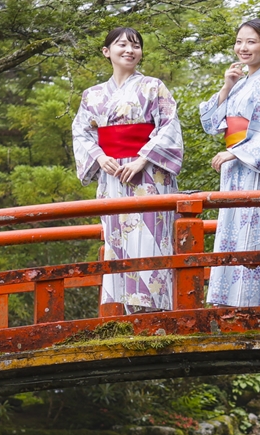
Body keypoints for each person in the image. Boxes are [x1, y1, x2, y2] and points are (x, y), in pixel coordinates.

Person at [71, 26, 185, 312]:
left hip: (148, 174)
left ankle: (157, 313)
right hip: (112, 176)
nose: (129, 51)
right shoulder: (92, 96)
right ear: (106, 52)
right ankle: (127, 312)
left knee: (152, 240)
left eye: (135, 46)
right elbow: (81, 133)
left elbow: (169, 126)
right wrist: (99, 157)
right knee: (117, 239)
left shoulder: (153, 87)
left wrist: (143, 158)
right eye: (122, 45)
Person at [200, 18, 260, 308]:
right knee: (229, 236)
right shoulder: (242, 84)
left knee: (251, 239)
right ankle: (224, 307)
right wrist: (227, 87)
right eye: (239, 41)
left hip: (256, 170)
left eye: (251, 42)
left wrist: (236, 152)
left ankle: (249, 310)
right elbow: (212, 125)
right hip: (234, 171)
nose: (243, 47)